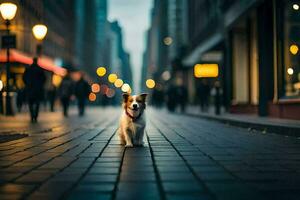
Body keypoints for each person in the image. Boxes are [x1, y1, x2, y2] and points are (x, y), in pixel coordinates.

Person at [23, 57, 46, 122]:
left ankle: (32, 115)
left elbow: (24, 78)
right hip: (38, 89)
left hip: (30, 88)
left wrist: (27, 84)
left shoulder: (28, 69)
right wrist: (40, 85)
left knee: (30, 103)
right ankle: (35, 116)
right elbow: (44, 79)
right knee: (37, 103)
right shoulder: (40, 69)